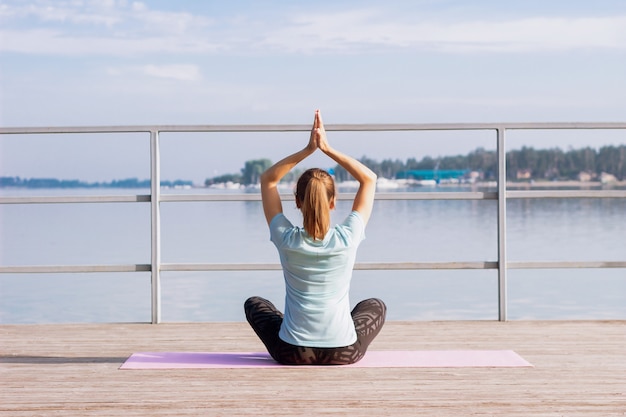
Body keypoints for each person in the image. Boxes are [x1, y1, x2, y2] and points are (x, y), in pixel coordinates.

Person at [244, 110, 387, 365]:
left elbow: (268, 180)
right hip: (343, 352)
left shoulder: (285, 238)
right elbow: (369, 179)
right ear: (333, 202)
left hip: (293, 352)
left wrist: (308, 150)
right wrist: (327, 149)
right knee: (375, 305)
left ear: (297, 202)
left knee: (255, 304)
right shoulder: (348, 236)